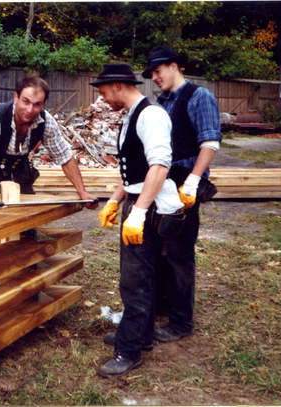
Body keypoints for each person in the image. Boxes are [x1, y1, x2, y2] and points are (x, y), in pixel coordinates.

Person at [92, 63, 184, 378]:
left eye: (104, 92)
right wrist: (115, 200)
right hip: (140, 202)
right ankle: (140, 336)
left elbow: (159, 166)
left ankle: (128, 352)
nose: (103, 98)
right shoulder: (134, 115)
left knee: (135, 281)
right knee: (141, 276)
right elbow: (136, 169)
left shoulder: (151, 115)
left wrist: (140, 212)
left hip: (152, 208)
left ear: (118, 85)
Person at [141, 46, 222, 342]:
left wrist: (193, 180)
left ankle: (181, 322)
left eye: (158, 71)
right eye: (152, 74)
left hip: (184, 188)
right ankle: (165, 306)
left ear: (174, 66)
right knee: (161, 248)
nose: (155, 78)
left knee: (179, 253)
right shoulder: (161, 103)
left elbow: (210, 142)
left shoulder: (199, 97)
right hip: (164, 185)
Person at [0, 73, 98, 216]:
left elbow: (65, 157)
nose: (30, 110)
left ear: (44, 104)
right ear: (16, 97)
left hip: (21, 175)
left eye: (37, 104)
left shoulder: (46, 122)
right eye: (26, 102)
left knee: (27, 228)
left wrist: (82, 192)